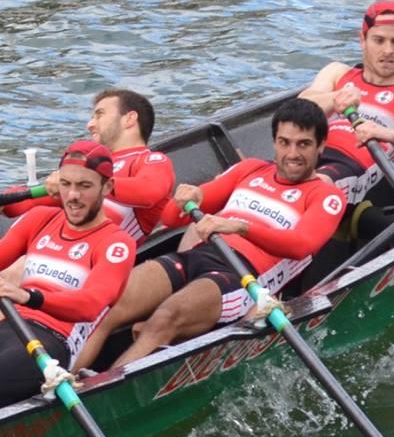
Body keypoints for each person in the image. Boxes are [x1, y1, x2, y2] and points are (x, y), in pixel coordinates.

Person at [110, 98, 346, 368]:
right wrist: (188, 197)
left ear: (321, 146)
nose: (292, 154)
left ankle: (99, 396)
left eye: (303, 144)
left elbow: (301, 245)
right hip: (199, 256)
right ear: (274, 142)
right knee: (112, 298)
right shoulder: (251, 169)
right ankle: (64, 378)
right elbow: (172, 218)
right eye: (284, 142)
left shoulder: (327, 195)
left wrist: (241, 227)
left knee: (164, 319)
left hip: (242, 278)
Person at [0, 145, 136, 430]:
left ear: (107, 187)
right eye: (66, 184)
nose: (72, 196)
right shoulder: (41, 219)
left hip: (52, 345)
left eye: (84, 186)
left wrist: (27, 296)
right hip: (6, 329)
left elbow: (90, 305)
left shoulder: (116, 243)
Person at [0, 90, 174, 244]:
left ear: (130, 119)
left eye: (99, 115)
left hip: (94, 257)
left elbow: (148, 192)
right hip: (55, 247)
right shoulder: (89, 172)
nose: (90, 124)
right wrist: (0, 201)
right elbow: (28, 203)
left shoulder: (152, 160)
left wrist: (83, 181)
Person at [299, 0, 394, 199]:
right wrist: (337, 97)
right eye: (379, 40)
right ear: (363, 40)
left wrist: (382, 132)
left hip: (349, 169)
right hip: (306, 152)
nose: (388, 50)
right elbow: (298, 110)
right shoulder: (337, 72)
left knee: (313, 187)